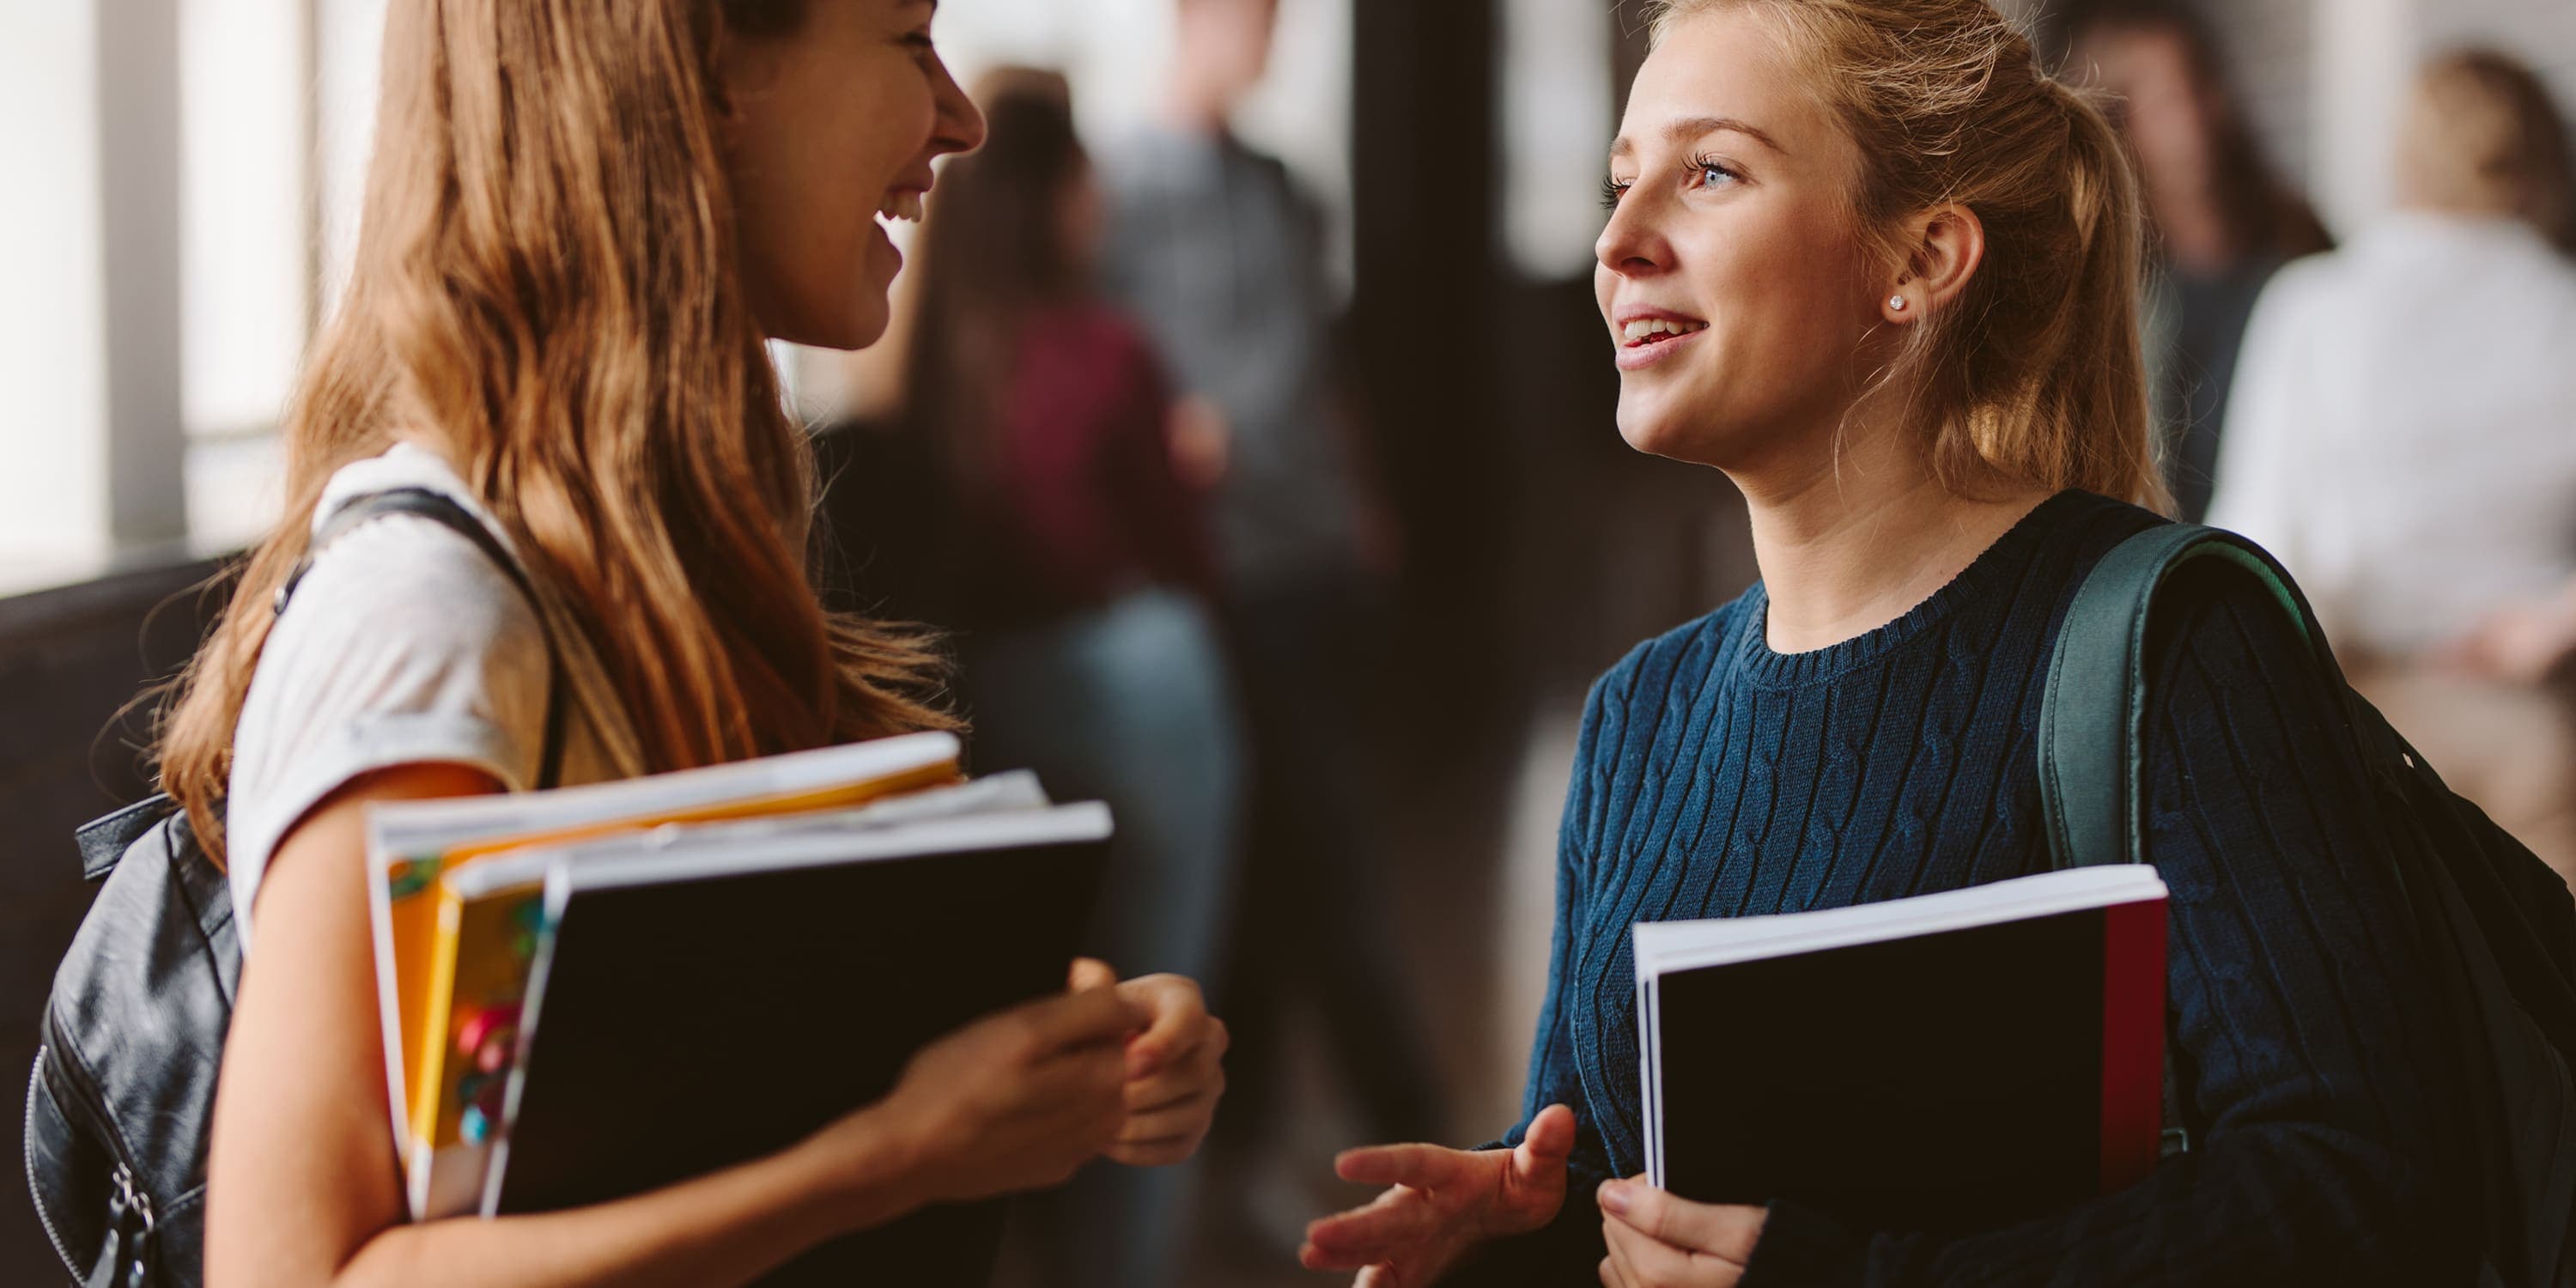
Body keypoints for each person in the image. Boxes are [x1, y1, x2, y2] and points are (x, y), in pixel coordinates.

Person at [1303, 0, 2484, 1283]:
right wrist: (1519, 1231)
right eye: (1622, 181)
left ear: (1918, 258)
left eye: (1709, 173)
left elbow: (2360, 1183)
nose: (1619, 243)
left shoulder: (2173, 645)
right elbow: (1625, 1194)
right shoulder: (1638, 717)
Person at [159, 3, 1228, 1285]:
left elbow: (617, 1072)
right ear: (703, 76)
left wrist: (1054, 1040)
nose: (961, 117)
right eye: (905, 38)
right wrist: (893, 1154)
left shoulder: (638, 560)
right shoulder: (434, 618)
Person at [1096, 0, 1448, 1201]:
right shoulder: (1118, 185)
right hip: (1214, 569)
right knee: (1317, 847)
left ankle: (1247, 1147)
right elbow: (1101, 373)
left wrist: (1365, 501)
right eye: (1250, 18)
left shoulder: (1285, 187)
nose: (1269, 42)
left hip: (1315, 552)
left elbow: (1324, 358)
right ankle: (1420, 1120)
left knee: (1286, 851)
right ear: (1194, 23)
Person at [899, 75, 1243, 1288]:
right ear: (1052, 194)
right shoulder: (1106, 349)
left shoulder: (930, 358)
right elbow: (1186, 553)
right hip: (1139, 676)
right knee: (1160, 1017)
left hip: (990, 691)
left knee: (1034, 1010)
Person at [2208, 49, 2576, 888]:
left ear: (2407, 156)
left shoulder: (2315, 306)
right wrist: (2548, 625)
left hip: (2360, 724)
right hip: (2531, 727)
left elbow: (2258, 538)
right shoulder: (2565, 310)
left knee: (2399, 1008)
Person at [2061, 0, 2332, 523]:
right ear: (2120, 123)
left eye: (2196, 86)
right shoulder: (2106, 281)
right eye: (2163, 101)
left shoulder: (2298, 240)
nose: (2192, 118)